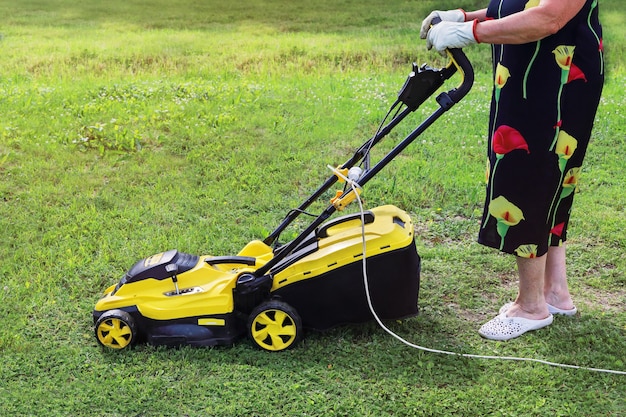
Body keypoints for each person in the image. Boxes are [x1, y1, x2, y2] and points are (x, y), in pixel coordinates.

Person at [420, 0, 604, 340]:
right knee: (548, 180)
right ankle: (555, 293)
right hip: (528, 74)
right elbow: (518, 6)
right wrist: (463, 17)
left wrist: (468, 32)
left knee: (529, 179)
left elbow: (547, 18)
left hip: (554, 81)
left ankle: (531, 306)